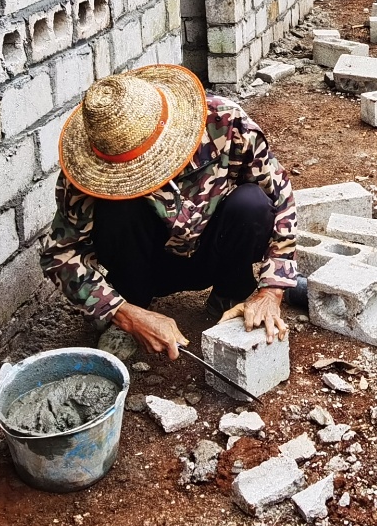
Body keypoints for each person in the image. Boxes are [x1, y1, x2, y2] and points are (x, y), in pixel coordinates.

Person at [41, 66, 298, 363]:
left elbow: (281, 201)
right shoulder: (88, 170)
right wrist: (123, 313)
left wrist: (273, 289)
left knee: (251, 203)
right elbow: (60, 255)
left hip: (214, 250)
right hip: (145, 265)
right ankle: (135, 304)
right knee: (115, 209)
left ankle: (231, 292)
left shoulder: (225, 122)